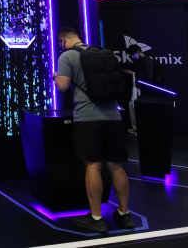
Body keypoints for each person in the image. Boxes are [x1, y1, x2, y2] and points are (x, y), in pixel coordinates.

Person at [52, 27, 135, 233]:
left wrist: (56, 76)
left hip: (88, 119)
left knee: (93, 167)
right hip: (113, 117)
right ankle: (124, 214)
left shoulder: (67, 56)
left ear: (62, 41)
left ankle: (96, 218)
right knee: (116, 167)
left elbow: (62, 86)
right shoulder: (101, 52)